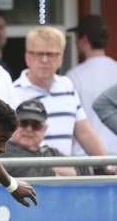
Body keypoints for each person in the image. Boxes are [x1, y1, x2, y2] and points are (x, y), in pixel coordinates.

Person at [13, 26, 110, 164]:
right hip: (30, 173)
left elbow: (84, 133)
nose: (44, 60)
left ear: (60, 59)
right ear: (27, 57)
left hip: (65, 173)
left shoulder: (67, 85)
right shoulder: (13, 92)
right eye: (38, 54)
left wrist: (109, 166)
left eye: (51, 54)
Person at [66, 14, 117, 164]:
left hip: (85, 159)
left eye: (77, 38)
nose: (75, 42)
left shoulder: (74, 76)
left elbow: (70, 120)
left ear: (85, 39)